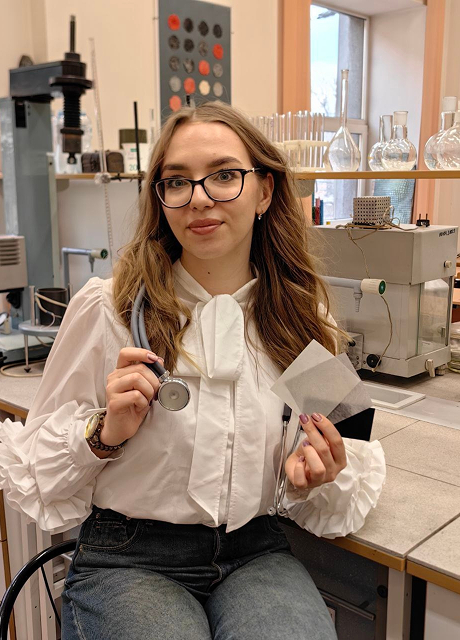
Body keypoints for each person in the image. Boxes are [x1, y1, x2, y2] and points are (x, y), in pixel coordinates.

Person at [0, 102, 385, 640]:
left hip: (255, 551)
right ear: (161, 200)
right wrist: (102, 433)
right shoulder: (110, 309)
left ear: (265, 191)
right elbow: (35, 470)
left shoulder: (300, 320)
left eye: (224, 175)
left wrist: (316, 475)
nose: (199, 198)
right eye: (177, 182)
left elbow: (347, 452)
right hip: (130, 557)